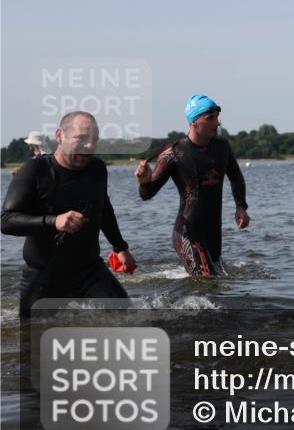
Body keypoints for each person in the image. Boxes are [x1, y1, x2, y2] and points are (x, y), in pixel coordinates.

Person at [2, 112, 137, 315]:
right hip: (43, 275)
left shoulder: (97, 169)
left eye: (94, 140)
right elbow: (6, 221)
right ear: (60, 136)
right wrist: (54, 221)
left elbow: (104, 208)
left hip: (89, 270)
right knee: (31, 339)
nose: (89, 146)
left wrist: (120, 247)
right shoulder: (35, 170)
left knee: (130, 321)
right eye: (81, 138)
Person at [134, 95, 249, 276]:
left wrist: (241, 206)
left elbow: (236, 178)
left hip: (213, 232)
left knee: (215, 284)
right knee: (207, 279)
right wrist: (144, 182)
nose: (217, 123)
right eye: (210, 118)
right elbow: (147, 194)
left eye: (217, 117)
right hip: (187, 232)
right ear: (194, 121)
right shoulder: (173, 153)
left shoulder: (222, 147)